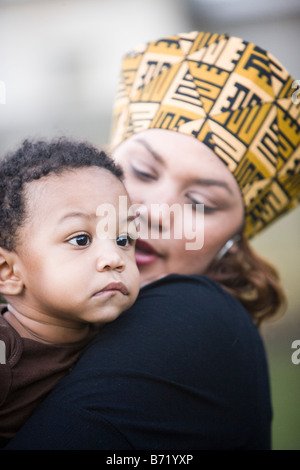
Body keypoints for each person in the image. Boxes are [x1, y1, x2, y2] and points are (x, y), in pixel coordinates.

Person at [5, 31, 300, 450]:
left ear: (231, 245)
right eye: (141, 172)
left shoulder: (198, 316)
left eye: (199, 202)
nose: (155, 212)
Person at [0, 138, 140, 447]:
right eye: (80, 239)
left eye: (123, 238)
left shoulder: (128, 332)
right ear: (8, 272)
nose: (114, 259)